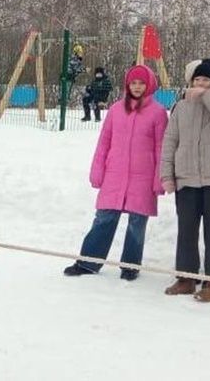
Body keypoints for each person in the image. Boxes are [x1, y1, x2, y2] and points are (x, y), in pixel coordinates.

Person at [63, 65, 168, 280]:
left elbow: (162, 148)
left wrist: (160, 178)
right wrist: (98, 170)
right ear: (127, 85)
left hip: (143, 177)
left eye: (141, 83)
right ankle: (88, 262)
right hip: (114, 175)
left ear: (150, 85)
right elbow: (104, 143)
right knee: (103, 219)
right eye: (133, 83)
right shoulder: (115, 110)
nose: (137, 87)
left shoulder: (158, 113)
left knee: (137, 224)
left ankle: (130, 266)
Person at [161, 59, 210, 302]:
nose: (200, 84)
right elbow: (170, 141)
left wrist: (208, 96)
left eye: (206, 81)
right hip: (187, 179)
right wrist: (167, 174)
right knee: (186, 230)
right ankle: (185, 278)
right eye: (197, 80)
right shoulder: (180, 108)